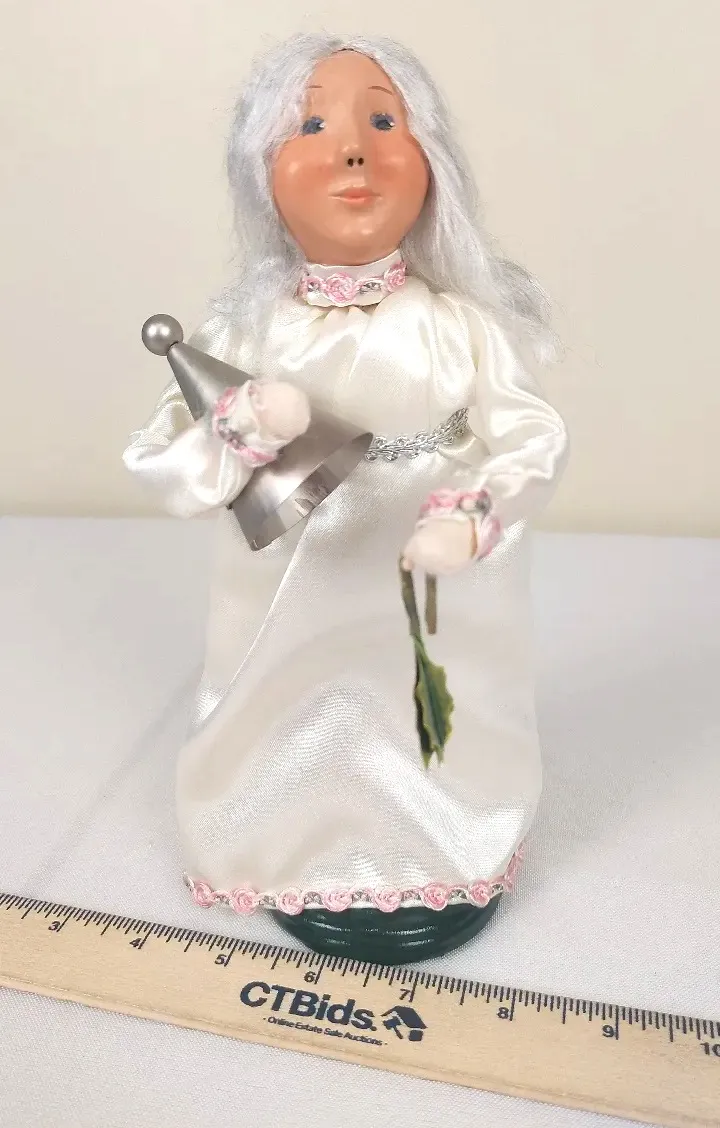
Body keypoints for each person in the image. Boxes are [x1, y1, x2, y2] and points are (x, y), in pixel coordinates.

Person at [123, 34, 569, 964]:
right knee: (294, 721)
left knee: (440, 723)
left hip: (439, 598)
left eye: (383, 121)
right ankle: (289, 846)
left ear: (431, 161)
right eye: (312, 125)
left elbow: (532, 436)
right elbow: (162, 463)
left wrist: (477, 511)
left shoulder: (460, 328)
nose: (353, 150)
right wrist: (241, 425)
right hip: (293, 595)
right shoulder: (248, 330)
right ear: (262, 173)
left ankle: (446, 848)